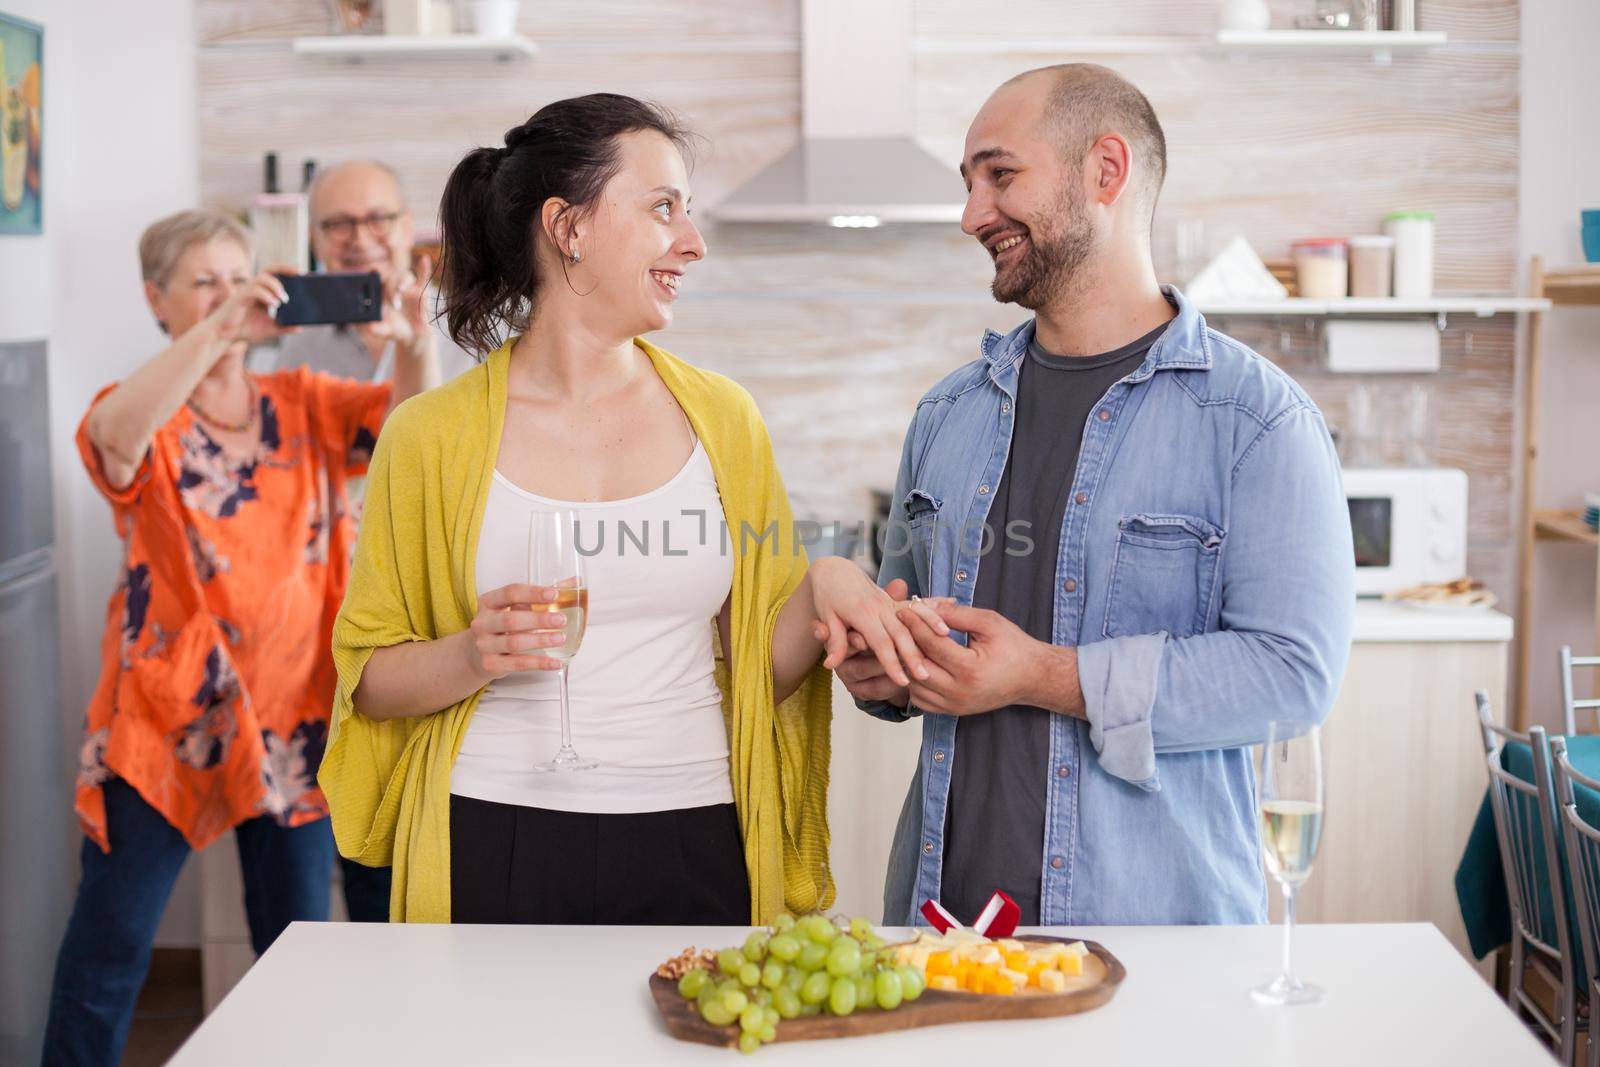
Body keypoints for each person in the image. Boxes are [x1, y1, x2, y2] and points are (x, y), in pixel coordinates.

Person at [320, 93, 939, 925]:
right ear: (568, 228)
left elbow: (757, 667)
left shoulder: (723, 419)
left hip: (693, 826)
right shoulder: (428, 435)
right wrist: (474, 652)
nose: (693, 241)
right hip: (492, 826)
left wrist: (828, 582)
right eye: (662, 208)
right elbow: (369, 678)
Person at [829, 64, 1355, 927]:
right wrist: (881, 664)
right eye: (969, 185)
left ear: (1105, 172)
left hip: (1156, 941)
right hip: (939, 933)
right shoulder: (947, 412)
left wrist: (1045, 674)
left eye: (1000, 176)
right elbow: (907, 625)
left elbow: (1292, 675)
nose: (972, 215)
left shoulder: (1255, 420)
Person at [42, 210, 437, 1066]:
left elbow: (414, 429)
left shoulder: (302, 400)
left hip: (296, 721)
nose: (231, 296)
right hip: (162, 726)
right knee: (109, 954)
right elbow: (112, 442)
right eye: (205, 282)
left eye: (239, 276)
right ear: (157, 299)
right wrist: (224, 330)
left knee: (292, 960)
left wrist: (409, 339)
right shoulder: (141, 409)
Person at [256, 159, 474, 384]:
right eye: (339, 224)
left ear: (408, 228)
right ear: (314, 241)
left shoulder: (471, 330)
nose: (360, 240)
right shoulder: (299, 345)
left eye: (378, 219)